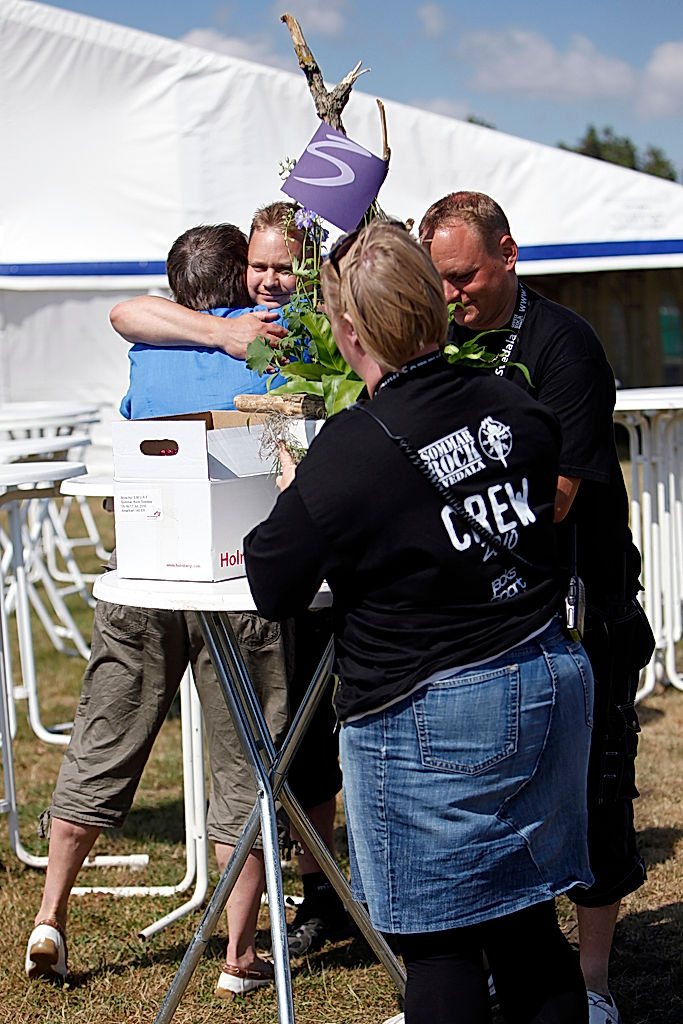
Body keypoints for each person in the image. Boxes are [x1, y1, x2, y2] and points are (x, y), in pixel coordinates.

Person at [244, 221, 595, 1024]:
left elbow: (272, 578)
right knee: (524, 922)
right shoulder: (514, 404)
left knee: (438, 944)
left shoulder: (352, 448)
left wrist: (298, 488)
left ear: (349, 329)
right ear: (433, 308)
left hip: (428, 712)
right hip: (542, 677)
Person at [25, 214, 343, 995]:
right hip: (238, 581)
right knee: (248, 764)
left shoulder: (151, 344)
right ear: (240, 278)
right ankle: (237, 955)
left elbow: (123, 310)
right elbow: (289, 448)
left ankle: (50, 912)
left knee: (104, 737)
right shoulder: (269, 338)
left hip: (145, 570)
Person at [419, 191, 653, 1024]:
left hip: (585, 602)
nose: (450, 296)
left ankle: (590, 988)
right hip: (485, 609)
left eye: (465, 276)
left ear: (508, 255)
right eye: (436, 280)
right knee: (490, 795)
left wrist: (433, 512)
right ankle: (497, 972)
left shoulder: (565, 345)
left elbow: (554, 496)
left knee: (594, 788)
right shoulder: (437, 343)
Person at [113, 201, 349, 959]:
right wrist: (222, 331)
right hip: (270, 558)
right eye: (260, 266)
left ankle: (337, 887)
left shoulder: (320, 315)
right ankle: (320, 893)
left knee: (325, 730)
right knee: (295, 741)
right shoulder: (236, 327)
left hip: (333, 544)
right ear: (242, 269)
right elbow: (125, 311)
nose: (272, 280)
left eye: (285, 266)